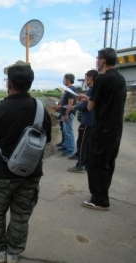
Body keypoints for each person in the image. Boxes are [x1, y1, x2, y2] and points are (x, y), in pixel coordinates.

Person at [0, 60, 52, 263]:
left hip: (1, 174)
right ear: (30, 84)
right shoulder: (40, 110)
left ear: (8, 84)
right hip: (31, 174)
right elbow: (47, 141)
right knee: (21, 215)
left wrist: (0, 155)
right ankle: (13, 253)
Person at [78, 48, 126, 211]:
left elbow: (91, 107)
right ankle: (102, 195)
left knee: (96, 164)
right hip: (115, 129)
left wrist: (87, 100)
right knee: (107, 164)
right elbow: (105, 100)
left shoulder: (102, 79)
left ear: (103, 61)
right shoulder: (120, 79)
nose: (97, 61)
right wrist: (88, 97)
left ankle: (99, 200)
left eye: (98, 59)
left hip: (102, 129)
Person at [67, 70, 98, 173]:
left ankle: (81, 165)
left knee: (82, 143)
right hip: (93, 122)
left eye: (86, 78)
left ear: (90, 78)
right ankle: (86, 163)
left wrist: (74, 107)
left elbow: (85, 107)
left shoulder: (91, 90)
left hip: (87, 121)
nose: (85, 80)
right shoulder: (96, 90)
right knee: (88, 144)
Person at [57, 73, 77, 157]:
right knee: (65, 131)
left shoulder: (71, 90)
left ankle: (71, 149)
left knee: (69, 132)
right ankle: (66, 146)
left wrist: (66, 114)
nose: (63, 80)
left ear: (68, 80)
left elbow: (70, 103)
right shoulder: (68, 89)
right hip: (64, 113)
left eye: (64, 79)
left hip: (68, 114)